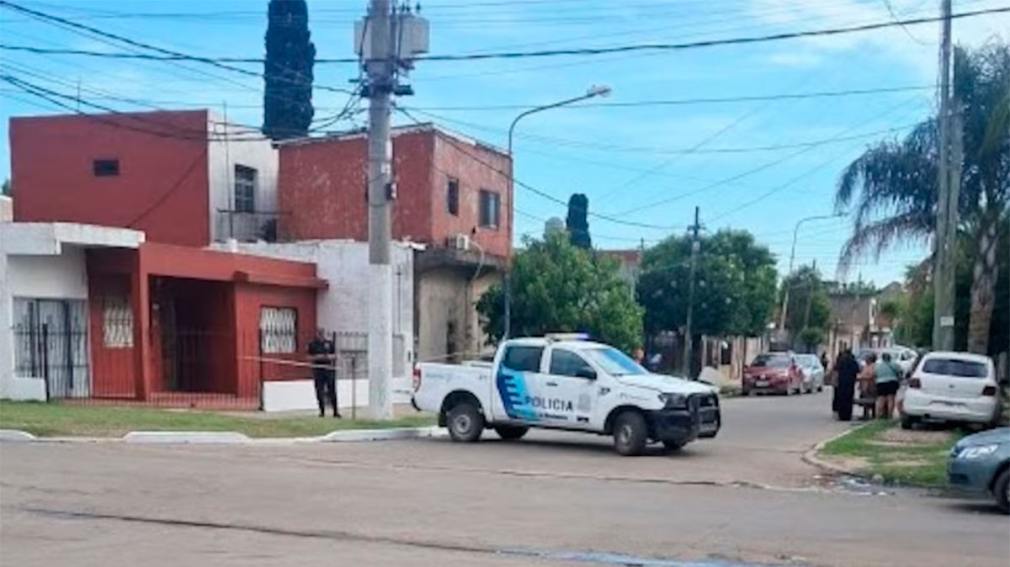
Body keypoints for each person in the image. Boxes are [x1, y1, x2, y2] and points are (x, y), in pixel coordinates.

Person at [308, 328, 340, 418]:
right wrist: (318, 357)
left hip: (329, 370)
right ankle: (322, 411)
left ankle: (335, 411)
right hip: (318, 370)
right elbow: (309, 357)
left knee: (332, 390)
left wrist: (329, 357)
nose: (321, 335)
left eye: (322, 333)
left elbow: (335, 356)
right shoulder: (312, 344)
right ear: (316, 334)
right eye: (319, 333)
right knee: (319, 391)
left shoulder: (329, 343)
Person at [833, 349, 860, 421]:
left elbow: (836, 371)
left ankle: (841, 415)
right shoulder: (853, 362)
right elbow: (857, 371)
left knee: (841, 399)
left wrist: (835, 381)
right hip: (850, 383)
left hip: (841, 383)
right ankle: (847, 415)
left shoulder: (841, 361)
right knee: (849, 399)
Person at [874, 352, 901, 420]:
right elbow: (900, 371)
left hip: (880, 383)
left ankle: (878, 415)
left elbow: (875, 374)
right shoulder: (894, 364)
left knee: (881, 400)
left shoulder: (878, 366)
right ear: (890, 358)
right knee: (891, 399)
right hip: (892, 382)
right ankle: (889, 415)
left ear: (882, 358)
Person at [858, 353, 878, 420]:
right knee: (865, 401)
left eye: (867, 358)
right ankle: (865, 414)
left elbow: (872, 375)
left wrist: (862, 377)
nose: (865, 360)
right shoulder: (865, 366)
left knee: (871, 400)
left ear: (871, 359)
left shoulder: (873, 366)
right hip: (864, 386)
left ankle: (873, 414)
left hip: (871, 386)